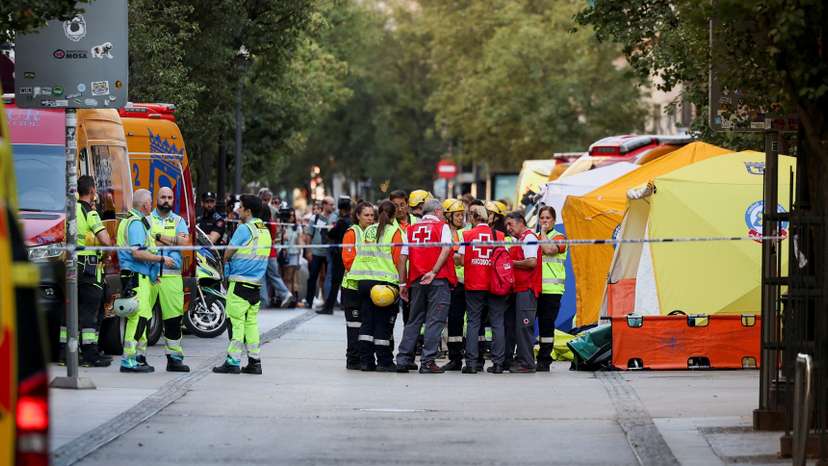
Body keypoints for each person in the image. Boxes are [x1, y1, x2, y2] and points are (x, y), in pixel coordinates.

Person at [116, 189, 175, 373]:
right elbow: (137, 252)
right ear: (144, 205)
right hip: (136, 276)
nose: (152, 204)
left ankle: (139, 357)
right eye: (150, 201)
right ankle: (128, 359)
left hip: (140, 276)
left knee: (144, 317)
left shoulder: (134, 222)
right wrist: (161, 260)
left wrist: (152, 273)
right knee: (138, 317)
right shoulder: (135, 224)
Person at [213, 195, 272, 375]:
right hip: (255, 284)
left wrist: (226, 264)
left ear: (248, 211)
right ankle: (255, 362)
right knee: (251, 324)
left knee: (235, 323)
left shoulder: (244, 229)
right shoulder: (264, 230)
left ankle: (233, 362)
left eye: (241, 207)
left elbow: (227, 253)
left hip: (239, 283)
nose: (237, 210)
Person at [395, 199, 455, 374]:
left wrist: (402, 283)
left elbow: (402, 258)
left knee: (414, 320)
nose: (443, 214)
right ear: (436, 211)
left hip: (417, 281)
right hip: (437, 280)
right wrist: (434, 271)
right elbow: (445, 249)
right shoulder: (442, 227)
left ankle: (403, 359)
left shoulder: (411, 230)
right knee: (435, 321)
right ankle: (427, 362)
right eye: (442, 211)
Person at [348, 201, 402, 371]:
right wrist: (402, 283)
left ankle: (366, 361)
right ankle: (384, 362)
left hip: (364, 281)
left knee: (367, 322)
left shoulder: (369, 230)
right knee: (382, 323)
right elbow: (398, 259)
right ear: (393, 215)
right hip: (384, 284)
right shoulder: (395, 231)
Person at [65, 175, 113, 367]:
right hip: (88, 268)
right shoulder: (90, 212)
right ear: (92, 191)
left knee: (70, 311)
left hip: (70, 266)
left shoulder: (70, 210)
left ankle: (65, 353)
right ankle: (90, 355)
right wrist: (106, 255)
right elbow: (106, 240)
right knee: (90, 313)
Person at [456, 204, 507, 373]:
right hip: (495, 284)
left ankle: (471, 363)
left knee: (473, 322)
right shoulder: (499, 235)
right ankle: (498, 363)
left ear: (474, 218)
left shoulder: (467, 235)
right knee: (497, 322)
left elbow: (462, 260)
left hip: (474, 284)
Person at [148, 187, 191, 372]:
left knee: (173, 320)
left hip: (172, 278)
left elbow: (184, 243)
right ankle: (137, 357)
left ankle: (174, 359)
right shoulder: (148, 219)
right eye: (163, 197)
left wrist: (158, 237)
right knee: (142, 318)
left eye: (170, 197)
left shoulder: (179, 220)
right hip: (149, 275)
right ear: (156, 199)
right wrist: (171, 239)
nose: (167, 200)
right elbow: (146, 242)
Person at [505, 212, 542, 373]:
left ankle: (527, 363)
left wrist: (510, 263)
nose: (508, 228)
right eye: (507, 225)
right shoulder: (520, 240)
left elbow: (532, 262)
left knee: (524, 327)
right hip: (519, 290)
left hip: (527, 289)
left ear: (521, 223)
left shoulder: (529, 238)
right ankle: (521, 359)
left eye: (511, 224)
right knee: (518, 327)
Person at [340, 201, 374, 369]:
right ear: (358, 216)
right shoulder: (352, 233)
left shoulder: (374, 233)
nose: (369, 218)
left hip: (367, 287)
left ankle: (363, 358)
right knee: (354, 326)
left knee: (366, 324)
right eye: (366, 215)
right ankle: (352, 359)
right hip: (352, 287)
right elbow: (348, 260)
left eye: (372, 215)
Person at [536, 206, 567, 372]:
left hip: (552, 290)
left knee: (546, 326)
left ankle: (544, 360)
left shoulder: (560, 237)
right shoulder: (535, 237)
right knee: (527, 324)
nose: (545, 221)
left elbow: (549, 249)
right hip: (536, 289)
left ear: (554, 221)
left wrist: (542, 233)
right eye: (542, 218)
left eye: (548, 218)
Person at [442, 198, 468, 371]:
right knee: (454, 321)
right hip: (451, 283)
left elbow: (461, 259)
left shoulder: (466, 233)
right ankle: (455, 358)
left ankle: (472, 356)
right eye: (457, 215)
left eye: (462, 215)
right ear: (448, 216)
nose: (460, 218)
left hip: (466, 282)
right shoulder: (444, 233)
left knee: (468, 321)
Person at [321, 196, 352, 314]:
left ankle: (328, 307)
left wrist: (325, 231)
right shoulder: (352, 221)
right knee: (346, 281)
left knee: (335, 282)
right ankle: (345, 305)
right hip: (349, 254)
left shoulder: (342, 222)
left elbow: (332, 234)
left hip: (340, 255)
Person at [305, 196, 334, 308]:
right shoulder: (315, 218)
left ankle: (328, 301)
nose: (333, 207)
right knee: (313, 277)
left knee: (327, 277)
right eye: (331, 204)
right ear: (325, 205)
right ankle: (309, 300)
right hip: (316, 252)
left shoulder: (334, 218)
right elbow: (308, 235)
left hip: (329, 253)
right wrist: (308, 251)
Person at [281, 208, 303, 302]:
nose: (291, 217)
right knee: (285, 277)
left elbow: (300, 242)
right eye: (289, 215)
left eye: (293, 215)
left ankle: (290, 299)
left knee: (290, 277)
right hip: (283, 254)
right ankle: (287, 297)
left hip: (294, 254)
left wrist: (299, 252)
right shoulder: (283, 226)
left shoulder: (297, 227)